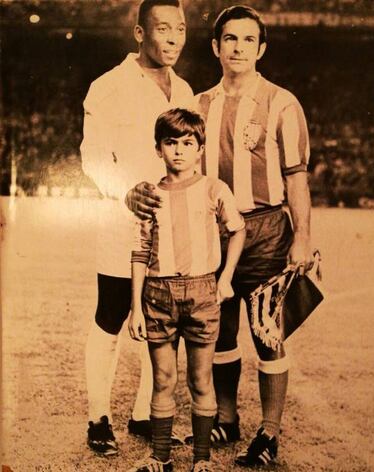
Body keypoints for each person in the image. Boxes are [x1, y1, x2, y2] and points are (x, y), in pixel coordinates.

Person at [125, 5, 314, 468]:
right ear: (215, 47)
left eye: (248, 40)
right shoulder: (199, 106)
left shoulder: (282, 102)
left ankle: (269, 432)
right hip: (214, 231)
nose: (238, 48)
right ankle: (225, 418)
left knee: (268, 331)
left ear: (261, 48)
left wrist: (302, 236)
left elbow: (296, 177)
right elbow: (178, 164)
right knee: (219, 330)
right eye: (230, 39)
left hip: (267, 228)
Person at [80, 0, 194, 456]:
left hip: (174, 224)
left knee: (166, 319)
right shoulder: (107, 86)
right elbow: (91, 158)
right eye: (162, 28)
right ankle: (98, 418)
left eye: (180, 29)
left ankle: (146, 413)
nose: (173, 38)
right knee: (111, 314)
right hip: (121, 220)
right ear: (140, 34)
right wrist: (124, 190)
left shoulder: (185, 90)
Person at [126, 108, 246, 472]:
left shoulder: (214, 189)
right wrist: (135, 307)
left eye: (187, 143)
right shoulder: (151, 196)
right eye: (170, 142)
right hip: (158, 295)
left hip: (202, 292)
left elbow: (237, 229)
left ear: (200, 148)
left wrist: (225, 278)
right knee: (163, 378)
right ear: (158, 148)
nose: (178, 150)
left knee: (200, 379)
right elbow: (139, 253)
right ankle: (159, 457)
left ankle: (202, 460)